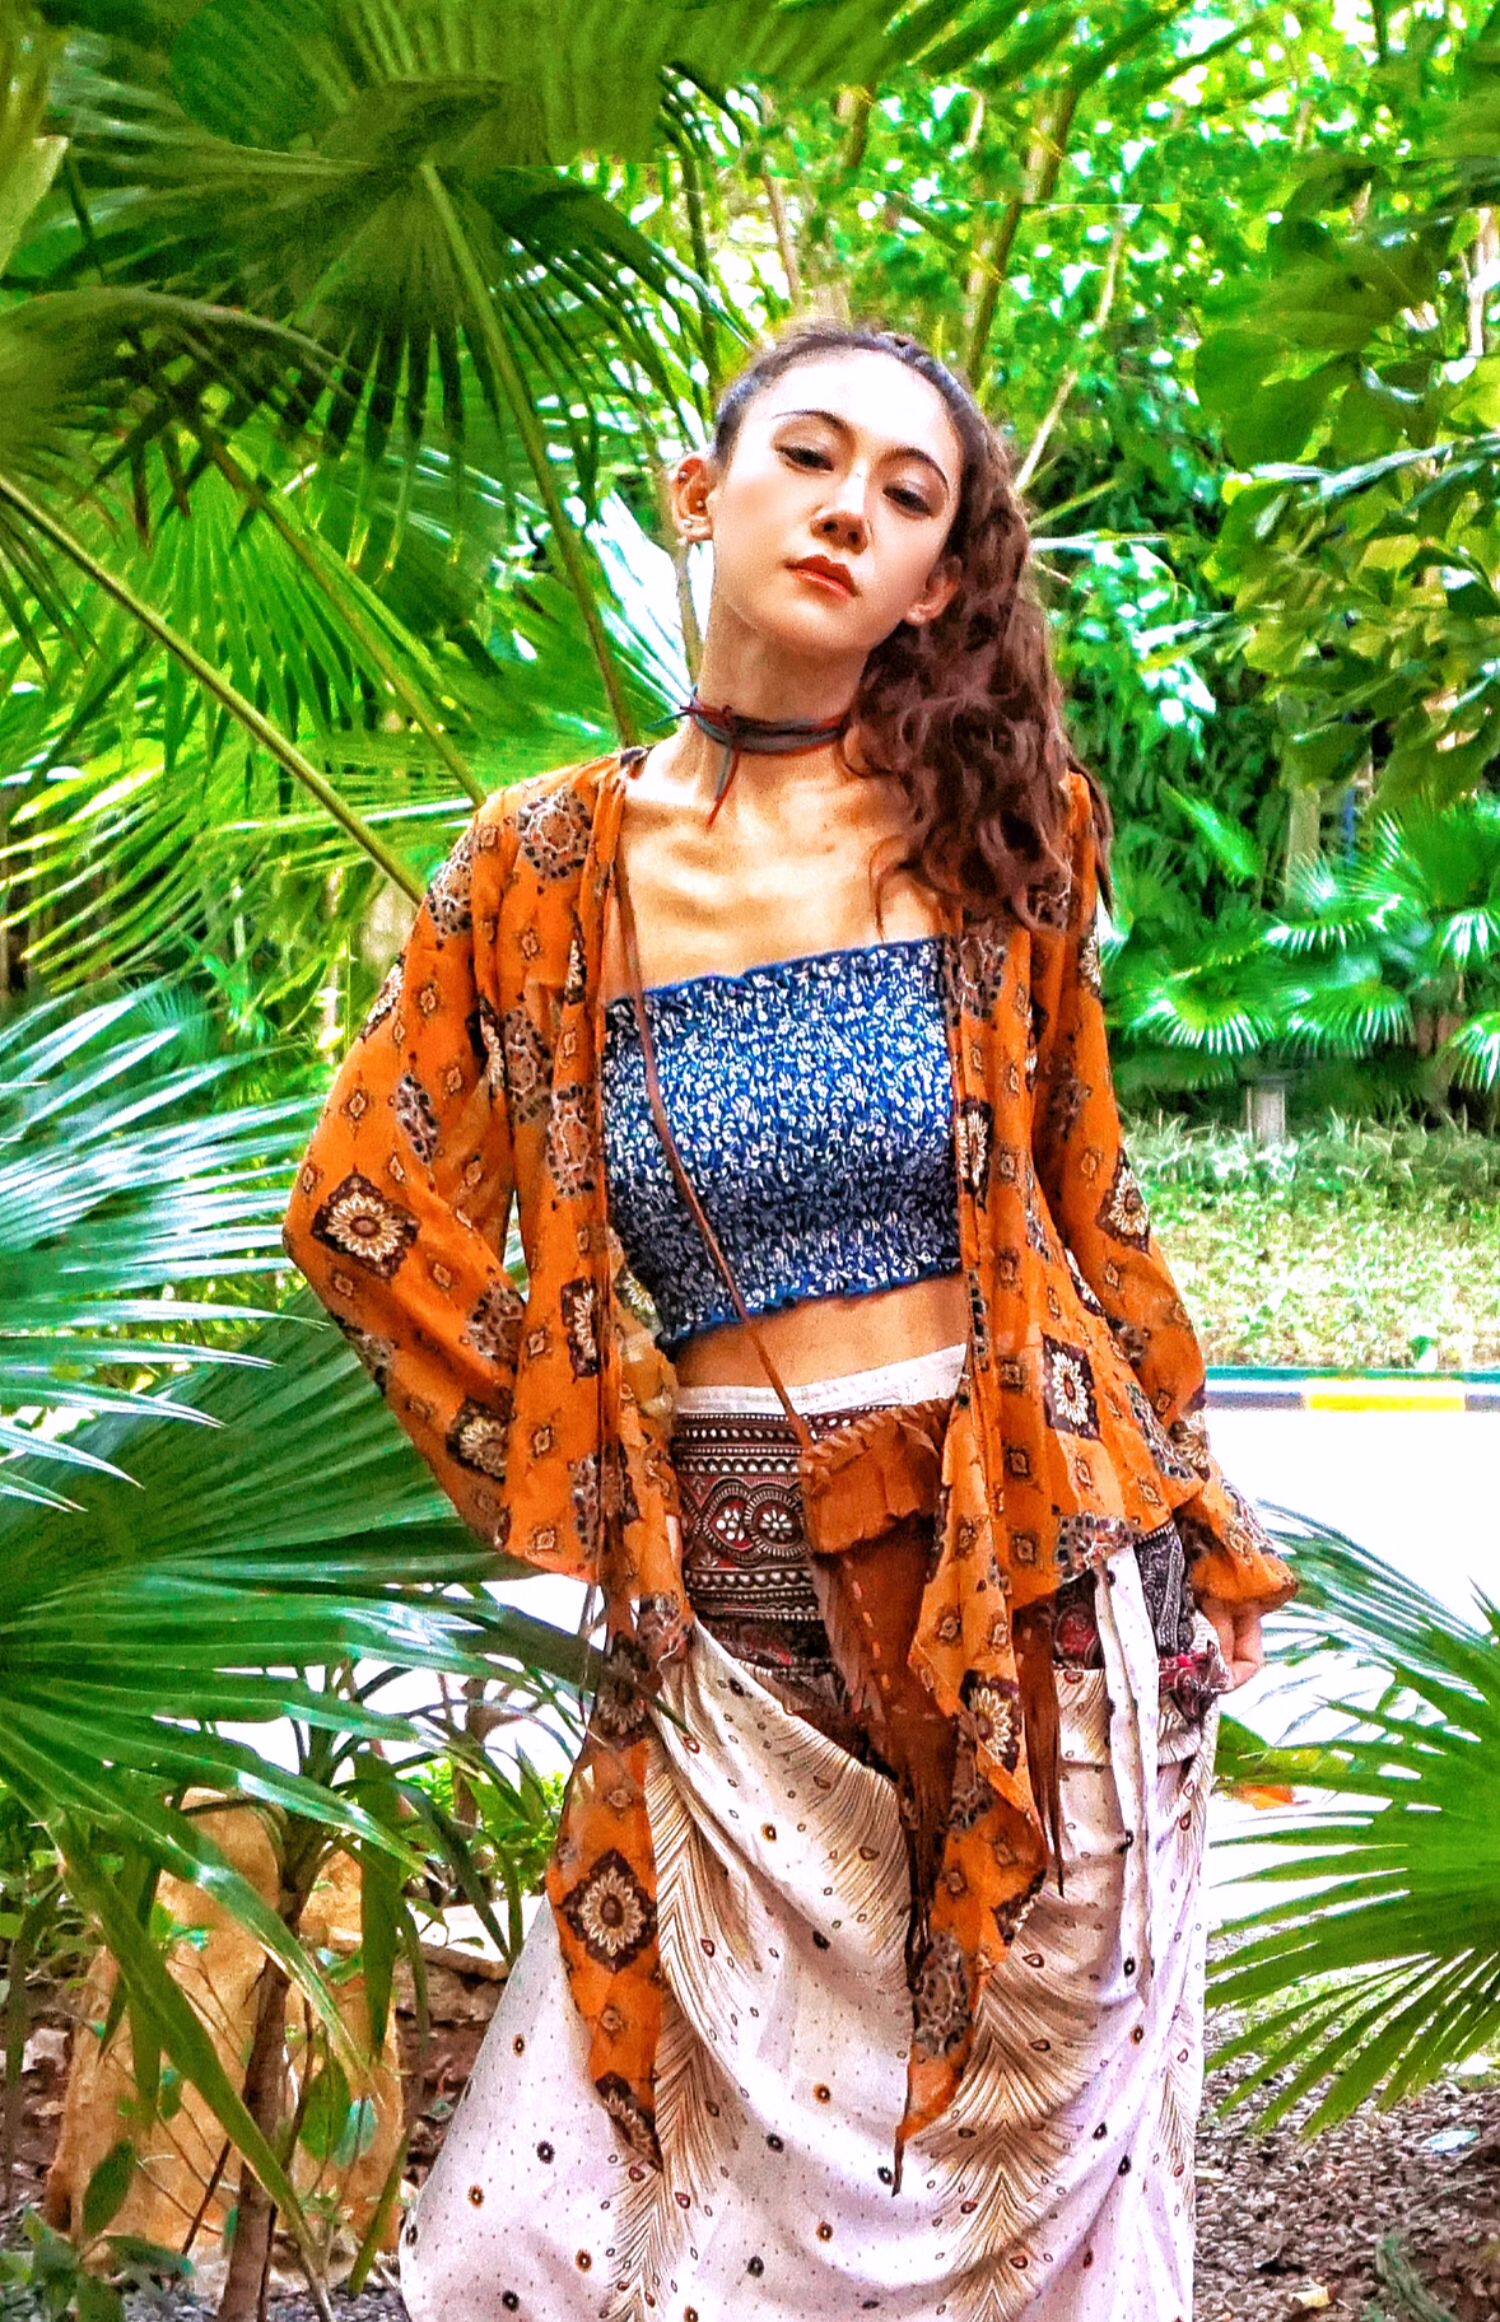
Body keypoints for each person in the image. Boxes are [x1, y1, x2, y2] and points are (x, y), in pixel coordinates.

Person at [280, 314, 1297, 2322]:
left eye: (909, 498)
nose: (850, 511)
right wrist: (583, 1459)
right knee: (601, 2213)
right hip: (730, 1625)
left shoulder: (1002, 827)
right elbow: (363, 1207)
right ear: (704, 490)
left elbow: (1089, 1202)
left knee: (1018, 2207)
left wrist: (1198, 1504)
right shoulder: (543, 869)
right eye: (812, 458)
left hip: (1040, 1594)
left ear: (932, 585)